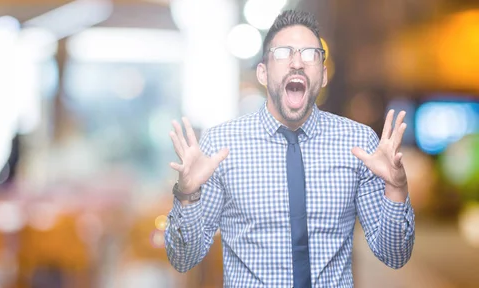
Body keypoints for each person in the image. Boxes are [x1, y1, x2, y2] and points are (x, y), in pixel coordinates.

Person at [164, 10, 415, 288]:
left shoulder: (359, 144)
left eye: (310, 54)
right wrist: (187, 196)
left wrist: (396, 190)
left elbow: (395, 256)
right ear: (262, 72)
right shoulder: (219, 146)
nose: (297, 62)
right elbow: (183, 260)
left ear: (324, 74)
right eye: (283, 53)